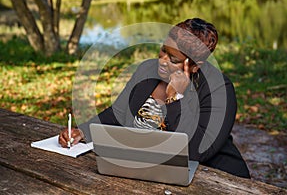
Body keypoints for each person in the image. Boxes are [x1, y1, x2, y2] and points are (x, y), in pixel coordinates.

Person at [59, 18, 250, 178]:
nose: (162, 60)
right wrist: (83, 132)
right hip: (149, 171)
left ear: (194, 66)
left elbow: (198, 151)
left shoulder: (219, 89)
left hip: (212, 176)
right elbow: (117, 114)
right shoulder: (146, 70)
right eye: (163, 50)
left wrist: (175, 99)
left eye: (173, 59)